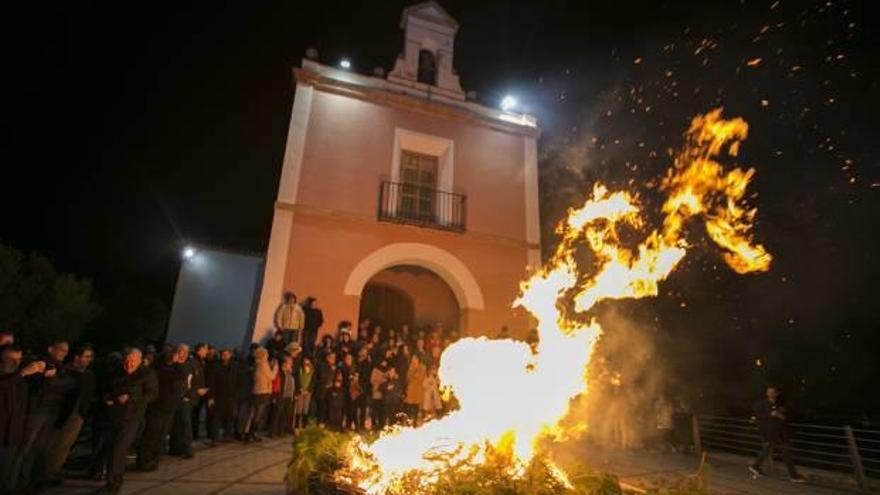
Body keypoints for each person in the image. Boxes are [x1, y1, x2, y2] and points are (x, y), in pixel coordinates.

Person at [12, 340, 69, 490]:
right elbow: (34, 388)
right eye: (60, 350)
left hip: (49, 411)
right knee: (25, 448)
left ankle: (26, 480)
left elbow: (66, 386)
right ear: (51, 349)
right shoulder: (40, 364)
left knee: (37, 448)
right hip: (37, 412)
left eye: (66, 351)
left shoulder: (60, 367)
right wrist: (48, 378)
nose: (63, 353)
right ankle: (13, 482)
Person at [101, 349, 158, 494]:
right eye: (126, 361)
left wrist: (131, 398)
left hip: (132, 418)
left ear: (139, 361)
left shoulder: (147, 374)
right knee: (110, 448)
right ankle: (109, 477)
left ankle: (113, 483)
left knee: (119, 450)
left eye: (132, 361)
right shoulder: (116, 372)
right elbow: (107, 388)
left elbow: (152, 394)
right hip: (114, 416)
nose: (129, 364)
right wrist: (108, 398)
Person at [44, 344, 96, 485]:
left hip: (78, 414)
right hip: (64, 413)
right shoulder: (67, 371)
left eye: (90, 357)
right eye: (86, 356)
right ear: (77, 357)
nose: (89, 360)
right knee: (56, 444)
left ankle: (52, 472)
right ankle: (47, 473)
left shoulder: (88, 374)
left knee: (65, 446)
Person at [1, 345, 45, 493]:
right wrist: (21, 374)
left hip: (13, 433)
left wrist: (45, 373)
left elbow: (38, 393)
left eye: (19, 359)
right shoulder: (14, 377)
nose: (16, 363)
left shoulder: (21, 379)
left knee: (6, 472)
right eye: (11, 359)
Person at [137, 346, 188, 472]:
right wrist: (177, 362)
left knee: (160, 436)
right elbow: (181, 375)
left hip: (167, 408)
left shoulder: (166, 369)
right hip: (158, 407)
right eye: (175, 355)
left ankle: (153, 460)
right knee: (152, 435)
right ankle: (145, 461)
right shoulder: (161, 370)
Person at [749, 386, 805, 482]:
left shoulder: (780, 404)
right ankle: (794, 476)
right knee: (783, 453)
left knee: (773, 451)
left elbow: (786, 417)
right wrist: (769, 415)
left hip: (779, 433)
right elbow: (756, 415)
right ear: (766, 393)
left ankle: (755, 466)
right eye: (768, 392)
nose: (770, 394)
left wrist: (780, 416)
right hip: (769, 432)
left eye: (772, 392)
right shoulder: (761, 404)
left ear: (776, 393)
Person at [239, 348, 277, 442]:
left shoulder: (257, 363)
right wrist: (275, 367)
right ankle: (251, 434)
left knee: (255, 413)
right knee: (258, 414)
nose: (268, 354)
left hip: (257, 391)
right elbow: (271, 376)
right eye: (266, 353)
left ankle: (251, 434)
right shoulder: (263, 364)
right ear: (263, 355)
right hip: (262, 391)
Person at [168, 345, 195, 459]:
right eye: (181, 351)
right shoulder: (171, 365)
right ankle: (174, 448)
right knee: (171, 424)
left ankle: (187, 448)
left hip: (184, 399)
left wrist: (188, 395)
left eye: (186, 352)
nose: (183, 354)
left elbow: (191, 382)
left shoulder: (189, 366)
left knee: (185, 424)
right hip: (171, 399)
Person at [206, 348, 238, 443]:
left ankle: (227, 435)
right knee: (217, 417)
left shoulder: (234, 366)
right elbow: (211, 382)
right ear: (221, 355)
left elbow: (237, 380)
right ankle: (214, 438)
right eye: (223, 354)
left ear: (230, 355)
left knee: (230, 416)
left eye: (227, 354)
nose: (225, 356)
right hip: (218, 396)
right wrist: (211, 397)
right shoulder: (216, 366)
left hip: (231, 396)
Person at [269, 356, 295, 437]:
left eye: (291, 363)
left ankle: (281, 431)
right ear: (284, 363)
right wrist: (274, 396)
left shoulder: (290, 373)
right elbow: (275, 384)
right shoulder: (279, 372)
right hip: (280, 395)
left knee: (284, 414)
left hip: (288, 396)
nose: (291, 365)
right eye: (289, 363)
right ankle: (273, 431)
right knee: (277, 414)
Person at [189, 343, 211, 441]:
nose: (207, 351)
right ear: (199, 350)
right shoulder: (193, 361)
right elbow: (192, 378)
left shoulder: (203, 362)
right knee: (192, 415)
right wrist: (197, 389)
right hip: (194, 393)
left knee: (196, 414)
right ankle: (191, 434)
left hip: (201, 393)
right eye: (205, 349)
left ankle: (194, 434)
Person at [293, 356, 314, 429]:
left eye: (307, 360)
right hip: (300, 391)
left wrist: (308, 390)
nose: (306, 362)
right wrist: (300, 389)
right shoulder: (300, 369)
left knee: (306, 408)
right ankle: (296, 425)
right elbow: (297, 379)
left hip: (307, 391)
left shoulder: (312, 370)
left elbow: (312, 381)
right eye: (305, 360)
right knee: (299, 408)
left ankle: (305, 425)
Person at [405, 354, 426, 425]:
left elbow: (422, 378)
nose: (412, 359)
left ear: (417, 359)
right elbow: (408, 377)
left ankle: (415, 422)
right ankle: (409, 421)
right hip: (411, 388)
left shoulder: (422, 367)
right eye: (412, 358)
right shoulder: (411, 366)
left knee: (416, 406)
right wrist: (412, 372)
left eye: (414, 358)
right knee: (410, 406)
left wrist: (416, 375)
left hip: (418, 389)